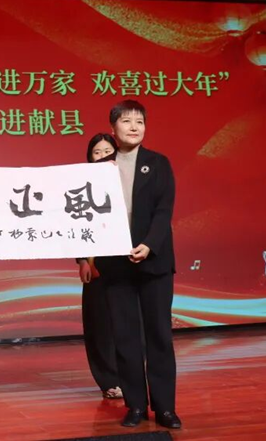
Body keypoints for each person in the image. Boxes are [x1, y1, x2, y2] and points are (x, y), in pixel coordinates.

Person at [96, 100, 181, 429]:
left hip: (154, 262)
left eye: (140, 122)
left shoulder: (158, 163)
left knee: (159, 335)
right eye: (126, 121)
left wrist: (149, 244)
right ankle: (135, 405)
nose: (134, 127)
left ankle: (165, 408)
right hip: (116, 265)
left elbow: (164, 210)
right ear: (113, 128)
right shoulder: (101, 169)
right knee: (126, 337)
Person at [76, 133, 122, 400]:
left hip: (127, 264)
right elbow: (76, 225)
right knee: (99, 325)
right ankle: (108, 380)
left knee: (126, 323)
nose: (103, 156)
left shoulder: (130, 182)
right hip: (97, 267)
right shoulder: (81, 186)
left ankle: (130, 377)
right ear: (89, 158)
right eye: (97, 152)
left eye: (108, 151)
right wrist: (82, 259)